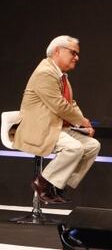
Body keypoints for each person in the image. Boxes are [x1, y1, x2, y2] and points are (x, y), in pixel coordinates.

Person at [11, 35, 100, 204]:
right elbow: (59, 105)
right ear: (57, 51)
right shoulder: (45, 73)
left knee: (92, 146)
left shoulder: (60, 75)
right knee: (73, 148)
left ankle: (57, 185)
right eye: (73, 53)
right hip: (38, 128)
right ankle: (43, 183)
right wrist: (81, 122)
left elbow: (71, 104)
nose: (77, 57)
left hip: (55, 127)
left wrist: (83, 122)